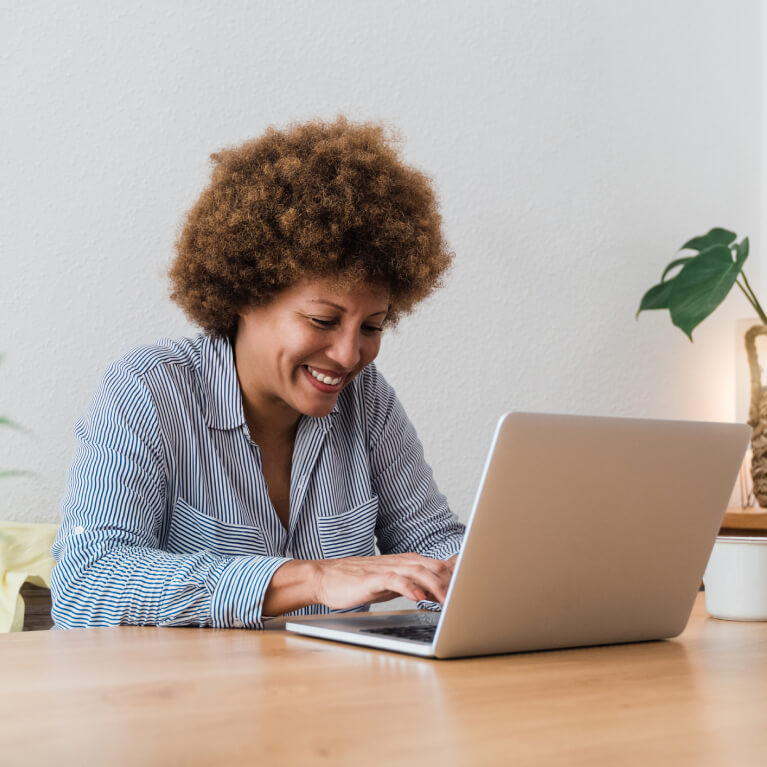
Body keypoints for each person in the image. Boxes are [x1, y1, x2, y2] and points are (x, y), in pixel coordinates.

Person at [51, 116, 465, 629]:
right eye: (323, 320)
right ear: (246, 293)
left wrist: (482, 572)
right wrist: (308, 579)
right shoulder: (151, 389)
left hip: (335, 700)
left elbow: (431, 543)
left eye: (372, 327)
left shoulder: (366, 401)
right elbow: (87, 584)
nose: (348, 354)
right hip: (191, 700)